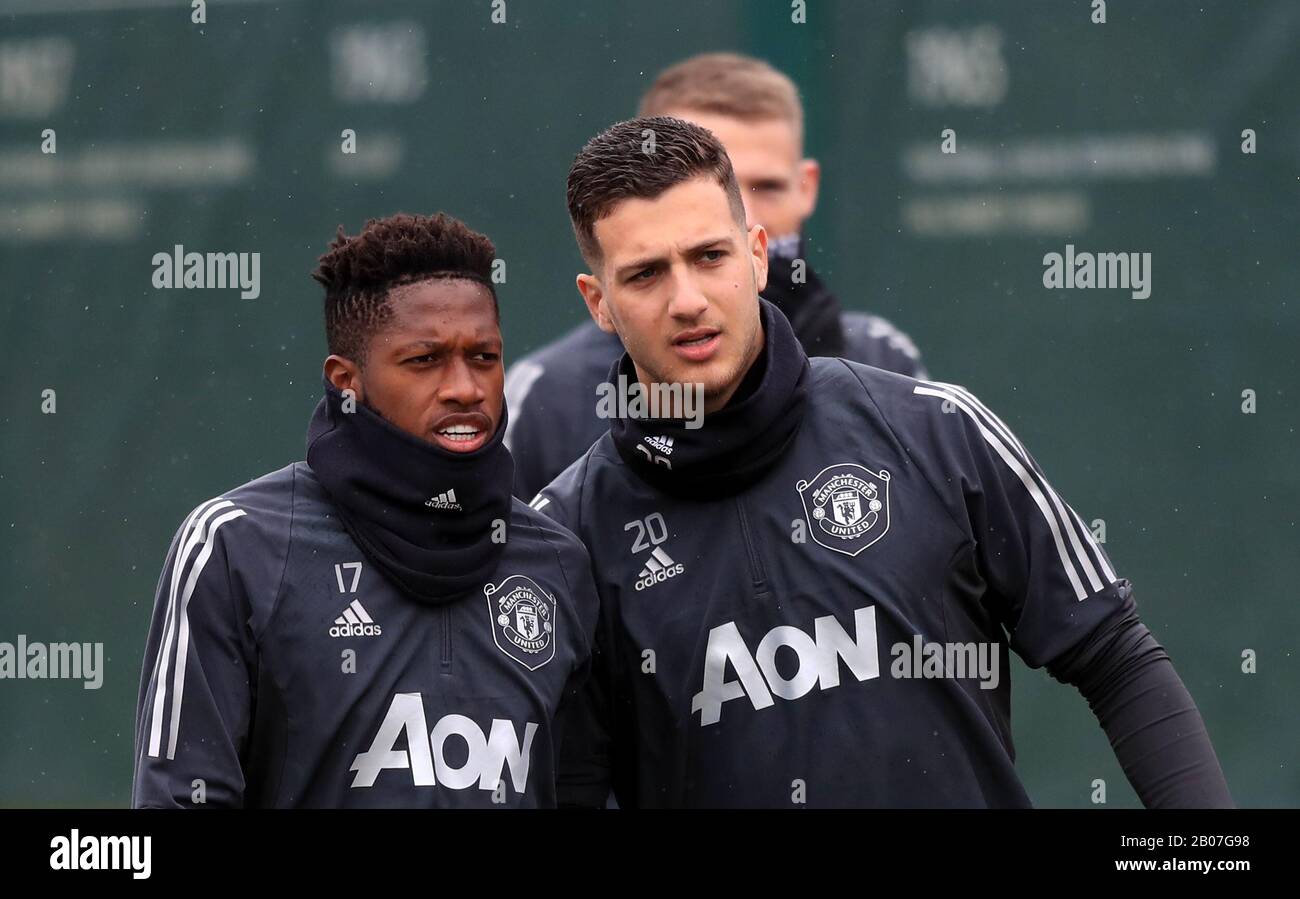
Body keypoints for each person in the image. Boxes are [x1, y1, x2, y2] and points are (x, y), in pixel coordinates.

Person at [538, 117, 1233, 808]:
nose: (686, 300)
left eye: (709, 257)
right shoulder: (566, 545)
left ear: (756, 254)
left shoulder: (935, 428)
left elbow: (1114, 654)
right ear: (598, 302)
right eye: (646, 274)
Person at [131, 213, 598, 808]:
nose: (465, 387)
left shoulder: (556, 561)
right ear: (347, 381)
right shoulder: (237, 547)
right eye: (424, 360)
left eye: (484, 356)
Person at [504, 52, 925, 502]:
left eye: (768, 187)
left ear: (807, 189)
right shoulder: (549, 396)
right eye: (713, 185)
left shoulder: (882, 359)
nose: (744, 212)